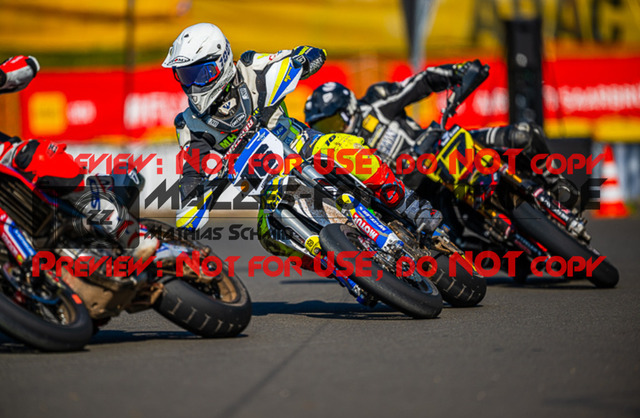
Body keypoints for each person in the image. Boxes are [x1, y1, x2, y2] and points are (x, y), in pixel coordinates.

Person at [163, 23, 442, 261]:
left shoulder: (250, 68)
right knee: (269, 237)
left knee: (347, 152)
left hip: (302, 146)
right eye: (185, 75)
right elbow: (192, 173)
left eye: (201, 73)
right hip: (268, 189)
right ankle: (342, 270)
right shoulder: (189, 124)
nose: (194, 84)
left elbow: (295, 59)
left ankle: (412, 207)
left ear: (223, 60)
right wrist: (189, 212)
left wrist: (304, 59)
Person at [303, 71, 570, 201]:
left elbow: (422, 82)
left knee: (525, 134)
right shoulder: (337, 156)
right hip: (422, 195)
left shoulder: (377, 102)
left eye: (332, 122)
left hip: (443, 148)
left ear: (348, 107)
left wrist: (458, 72)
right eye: (323, 128)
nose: (332, 131)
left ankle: (556, 183)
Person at [0, 55, 158, 260]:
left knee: (35, 156)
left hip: (8, 158)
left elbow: (28, 64)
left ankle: (129, 232)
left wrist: (3, 76)